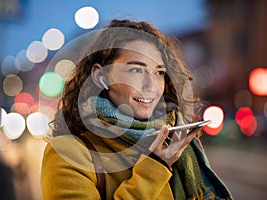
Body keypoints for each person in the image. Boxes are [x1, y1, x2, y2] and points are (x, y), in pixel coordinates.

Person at [41, 19, 233, 200]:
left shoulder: (173, 144)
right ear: (101, 77)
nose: (151, 85)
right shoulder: (67, 153)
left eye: (159, 73)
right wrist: (154, 168)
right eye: (136, 70)